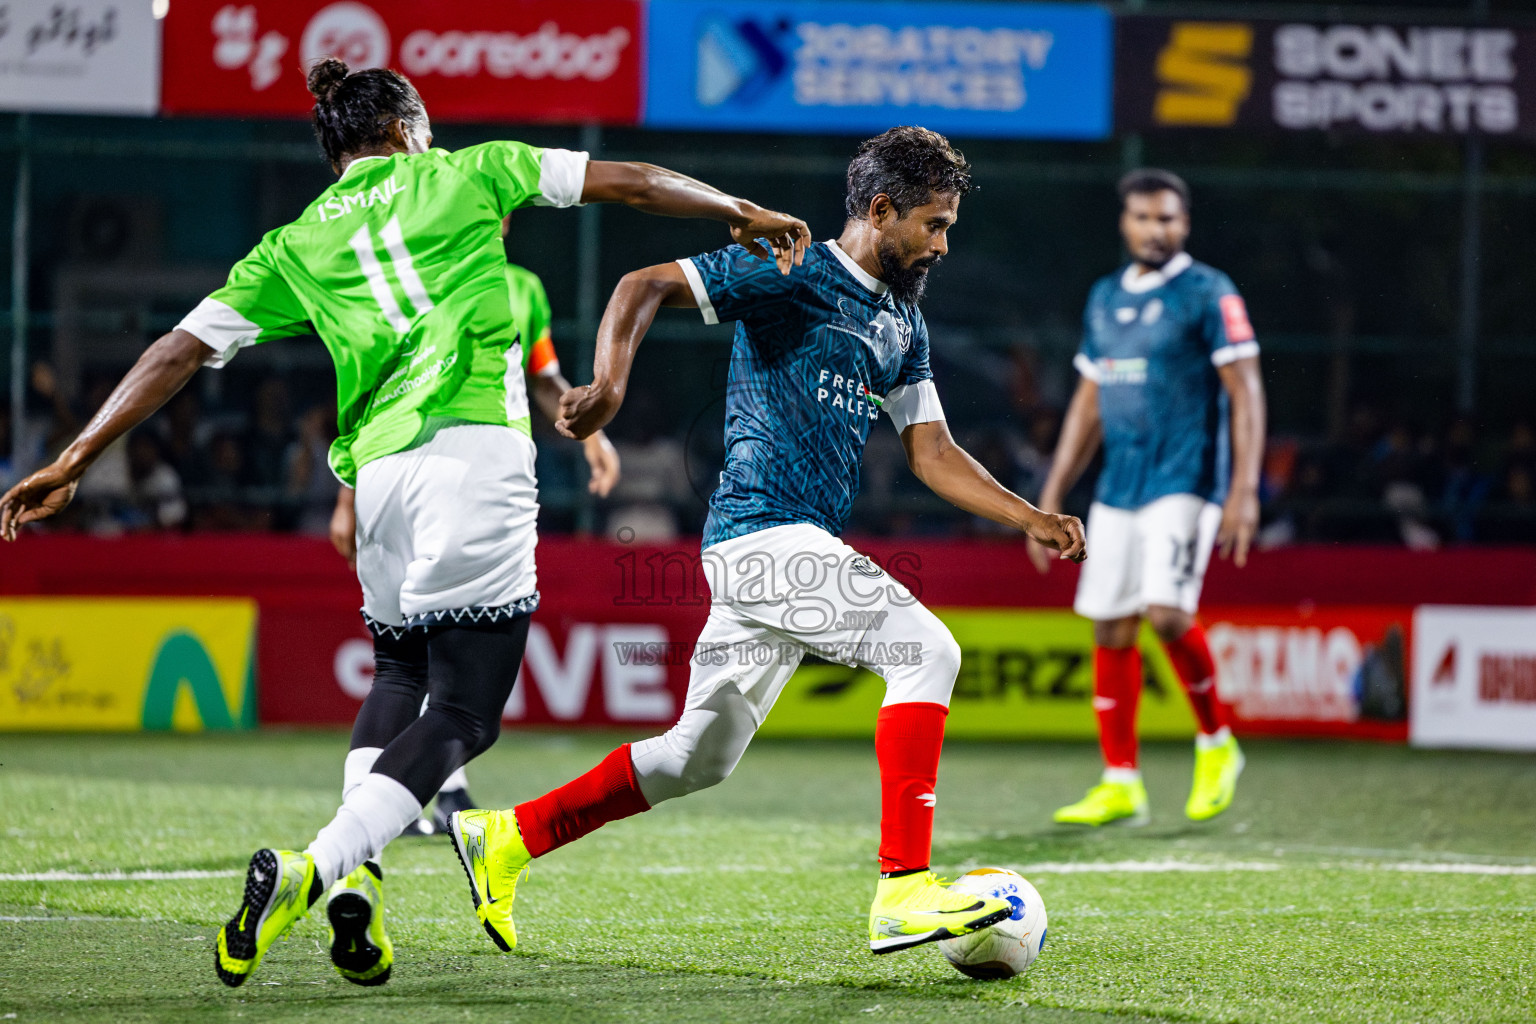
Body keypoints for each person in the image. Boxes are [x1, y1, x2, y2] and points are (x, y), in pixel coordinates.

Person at [0, 58, 808, 989]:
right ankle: (315, 870)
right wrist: (734, 208)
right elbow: (625, 180)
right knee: (465, 709)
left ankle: (358, 888)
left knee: (400, 669)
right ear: (405, 127)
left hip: (377, 477)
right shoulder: (468, 172)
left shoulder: (292, 244)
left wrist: (74, 457)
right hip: (474, 456)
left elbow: (177, 349)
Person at [440, 126, 1086, 959]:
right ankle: (902, 888)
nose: (943, 243)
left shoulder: (903, 324)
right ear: (881, 210)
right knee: (927, 652)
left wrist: (1027, 514)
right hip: (762, 534)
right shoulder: (795, 270)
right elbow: (642, 285)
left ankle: (509, 836)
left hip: (786, 549)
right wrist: (606, 387)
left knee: (692, 759)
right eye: (933, 223)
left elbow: (931, 450)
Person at [330, 241, 622, 835]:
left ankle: (382, 833)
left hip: (406, 480)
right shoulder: (411, 278)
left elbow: (540, 377)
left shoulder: (518, 286)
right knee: (449, 688)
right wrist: (345, 497)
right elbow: (375, 392)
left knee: (408, 668)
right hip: (462, 477)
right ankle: (387, 823)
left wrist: (588, 433)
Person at [1028, 169, 1266, 827]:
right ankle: (1121, 780)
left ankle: (1217, 743)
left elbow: (1245, 388)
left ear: (1184, 223)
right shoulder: (1104, 297)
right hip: (1120, 485)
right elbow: (1087, 402)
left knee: (1164, 614)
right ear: (1125, 221)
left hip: (1186, 479)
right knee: (1110, 623)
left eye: (1167, 218)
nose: (1155, 229)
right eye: (1143, 217)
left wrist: (1245, 488)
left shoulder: (1207, 292)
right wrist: (1048, 496)